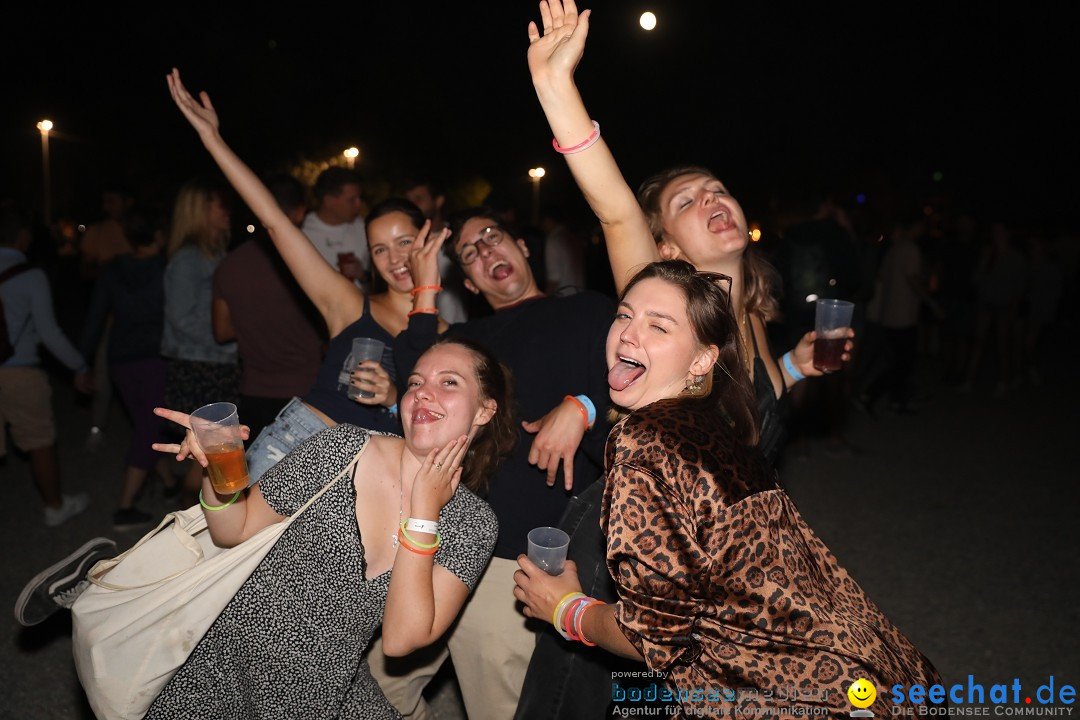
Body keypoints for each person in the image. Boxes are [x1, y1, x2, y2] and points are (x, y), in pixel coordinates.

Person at [513, 260, 941, 718]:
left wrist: (566, 609)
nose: (628, 334)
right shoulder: (713, 426)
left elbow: (655, 636)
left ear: (702, 360)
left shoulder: (644, 443)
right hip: (880, 675)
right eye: (624, 315)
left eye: (659, 326)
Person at [22, 338, 513, 720]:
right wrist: (220, 469)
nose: (423, 392)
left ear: (485, 409)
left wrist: (424, 513)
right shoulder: (341, 450)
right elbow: (233, 529)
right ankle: (100, 585)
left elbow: (402, 640)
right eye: (414, 381)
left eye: (449, 383)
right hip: (222, 664)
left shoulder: (472, 523)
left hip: (320, 686)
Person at [525, 0, 854, 466]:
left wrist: (795, 367)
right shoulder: (663, 300)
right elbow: (617, 212)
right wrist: (554, 85)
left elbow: (756, 403)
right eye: (686, 201)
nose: (711, 199)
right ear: (667, 247)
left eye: (717, 190)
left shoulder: (751, 312)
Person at [369, 206, 613, 720]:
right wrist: (426, 289)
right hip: (444, 532)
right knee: (372, 688)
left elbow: (646, 395)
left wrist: (583, 407)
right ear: (472, 283)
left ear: (522, 246)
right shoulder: (471, 341)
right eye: (470, 254)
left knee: (499, 704)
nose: (485, 253)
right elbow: (417, 367)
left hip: (520, 550)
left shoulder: (589, 311)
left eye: (492, 238)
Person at [167, 68, 451, 485]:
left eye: (405, 242)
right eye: (380, 249)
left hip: (377, 474)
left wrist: (394, 399)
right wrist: (213, 139)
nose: (396, 259)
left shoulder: (450, 335)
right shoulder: (351, 304)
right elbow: (276, 223)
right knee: (239, 548)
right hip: (304, 442)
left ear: (428, 237)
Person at [211, 173, 325, 440]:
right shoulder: (310, 262)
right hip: (307, 390)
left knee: (259, 477)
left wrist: (255, 322)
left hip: (255, 391)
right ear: (298, 213)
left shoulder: (229, 264)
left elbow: (221, 331)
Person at [0, 206, 93, 527]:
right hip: (19, 371)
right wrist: (79, 366)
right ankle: (54, 507)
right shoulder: (30, 275)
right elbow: (48, 331)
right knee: (39, 439)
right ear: (22, 235)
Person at [79, 211, 172, 528]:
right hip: (155, 358)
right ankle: (124, 508)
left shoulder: (112, 270)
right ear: (158, 235)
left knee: (144, 421)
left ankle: (169, 482)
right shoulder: (166, 269)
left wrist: (83, 362)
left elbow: (94, 319)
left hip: (119, 359)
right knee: (148, 425)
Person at [160, 177, 239, 503]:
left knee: (211, 456)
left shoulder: (215, 255)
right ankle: (190, 521)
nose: (228, 210)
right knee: (208, 455)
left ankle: (199, 521)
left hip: (216, 363)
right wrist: (233, 337)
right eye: (220, 204)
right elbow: (182, 319)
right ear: (200, 210)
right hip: (199, 366)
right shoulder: (189, 259)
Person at [302, 166, 370, 288]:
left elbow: (379, 288)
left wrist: (363, 275)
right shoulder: (302, 230)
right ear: (329, 201)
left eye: (359, 198)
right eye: (352, 199)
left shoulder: (365, 228)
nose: (359, 204)